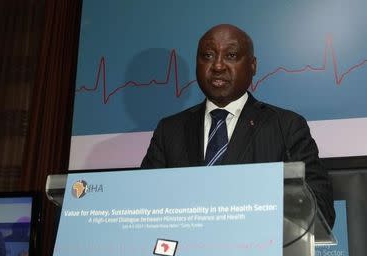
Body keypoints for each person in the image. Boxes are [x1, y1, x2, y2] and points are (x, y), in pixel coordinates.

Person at [141, 24, 335, 228]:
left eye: (231, 55)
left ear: (252, 66)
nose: (217, 66)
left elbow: (320, 209)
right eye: (207, 56)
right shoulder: (170, 130)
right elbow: (142, 204)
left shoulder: (285, 126)